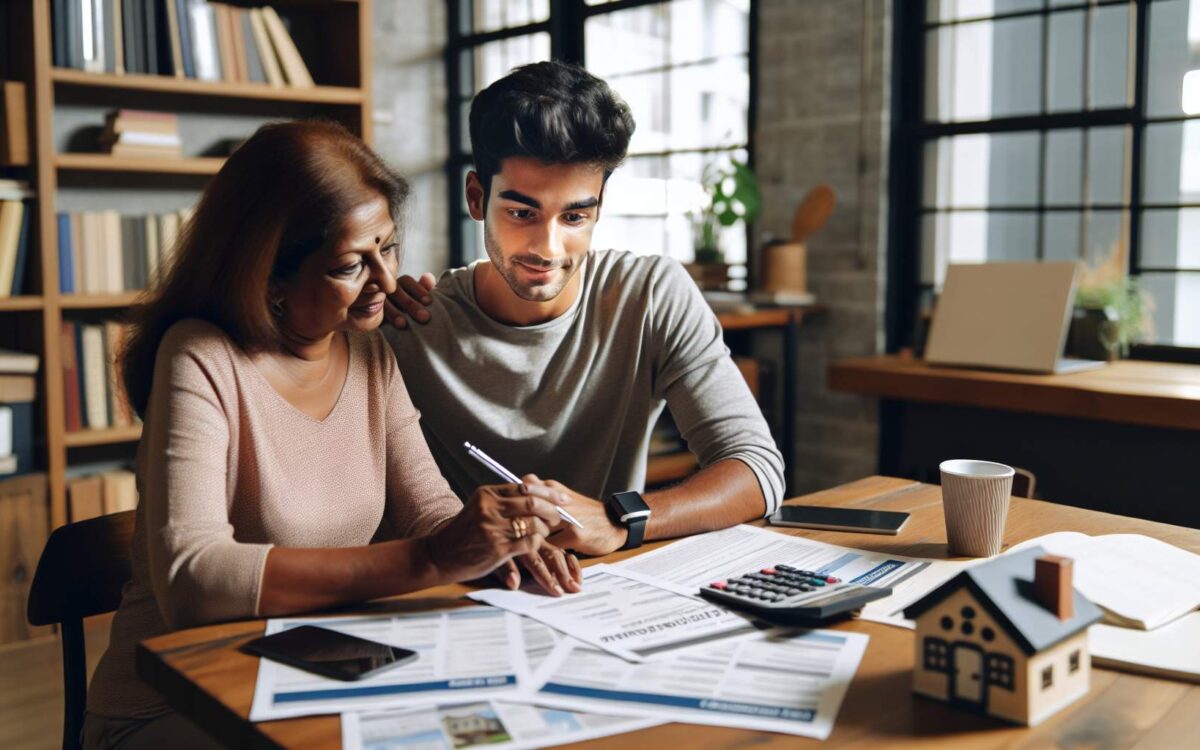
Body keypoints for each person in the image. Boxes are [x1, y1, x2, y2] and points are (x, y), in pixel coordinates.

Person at [83, 121, 578, 750]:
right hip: (174, 701)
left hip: (319, 669)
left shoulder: (370, 358)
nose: (386, 281)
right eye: (350, 265)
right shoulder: (202, 357)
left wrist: (496, 547)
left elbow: (428, 508)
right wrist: (431, 558)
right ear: (270, 277)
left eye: (389, 248)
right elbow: (194, 580)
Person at [383, 61, 785, 570]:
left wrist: (619, 521)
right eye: (522, 212)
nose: (547, 248)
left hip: (602, 591)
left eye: (574, 216)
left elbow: (756, 471)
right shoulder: (411, 322)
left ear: (599, 206)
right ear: (477, 197)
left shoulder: (650, 295)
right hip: (460, 594)